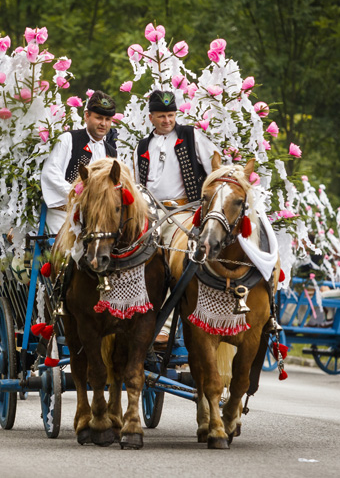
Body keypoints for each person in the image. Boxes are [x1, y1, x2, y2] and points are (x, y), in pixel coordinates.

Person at [134, 90, 219, 345]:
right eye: (162, 116)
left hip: (184, 211)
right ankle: (130, 319)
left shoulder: (191, 136)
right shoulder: (142, 145)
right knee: (132, 255)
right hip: (150, 212)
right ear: (151, 117)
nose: (167, 120)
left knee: (174, 259)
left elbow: (215, 170)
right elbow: (138, 183)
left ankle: (167, 326)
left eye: (171, 115)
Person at [41, 91, 118, 235]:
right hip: (63, 215)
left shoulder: (111, 152)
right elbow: (50, 173)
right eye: (99, 118)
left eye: (108, 119)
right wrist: (77, 194)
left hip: (94, 220)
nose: (103, 123)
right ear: (87, 116)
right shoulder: (68, 139)